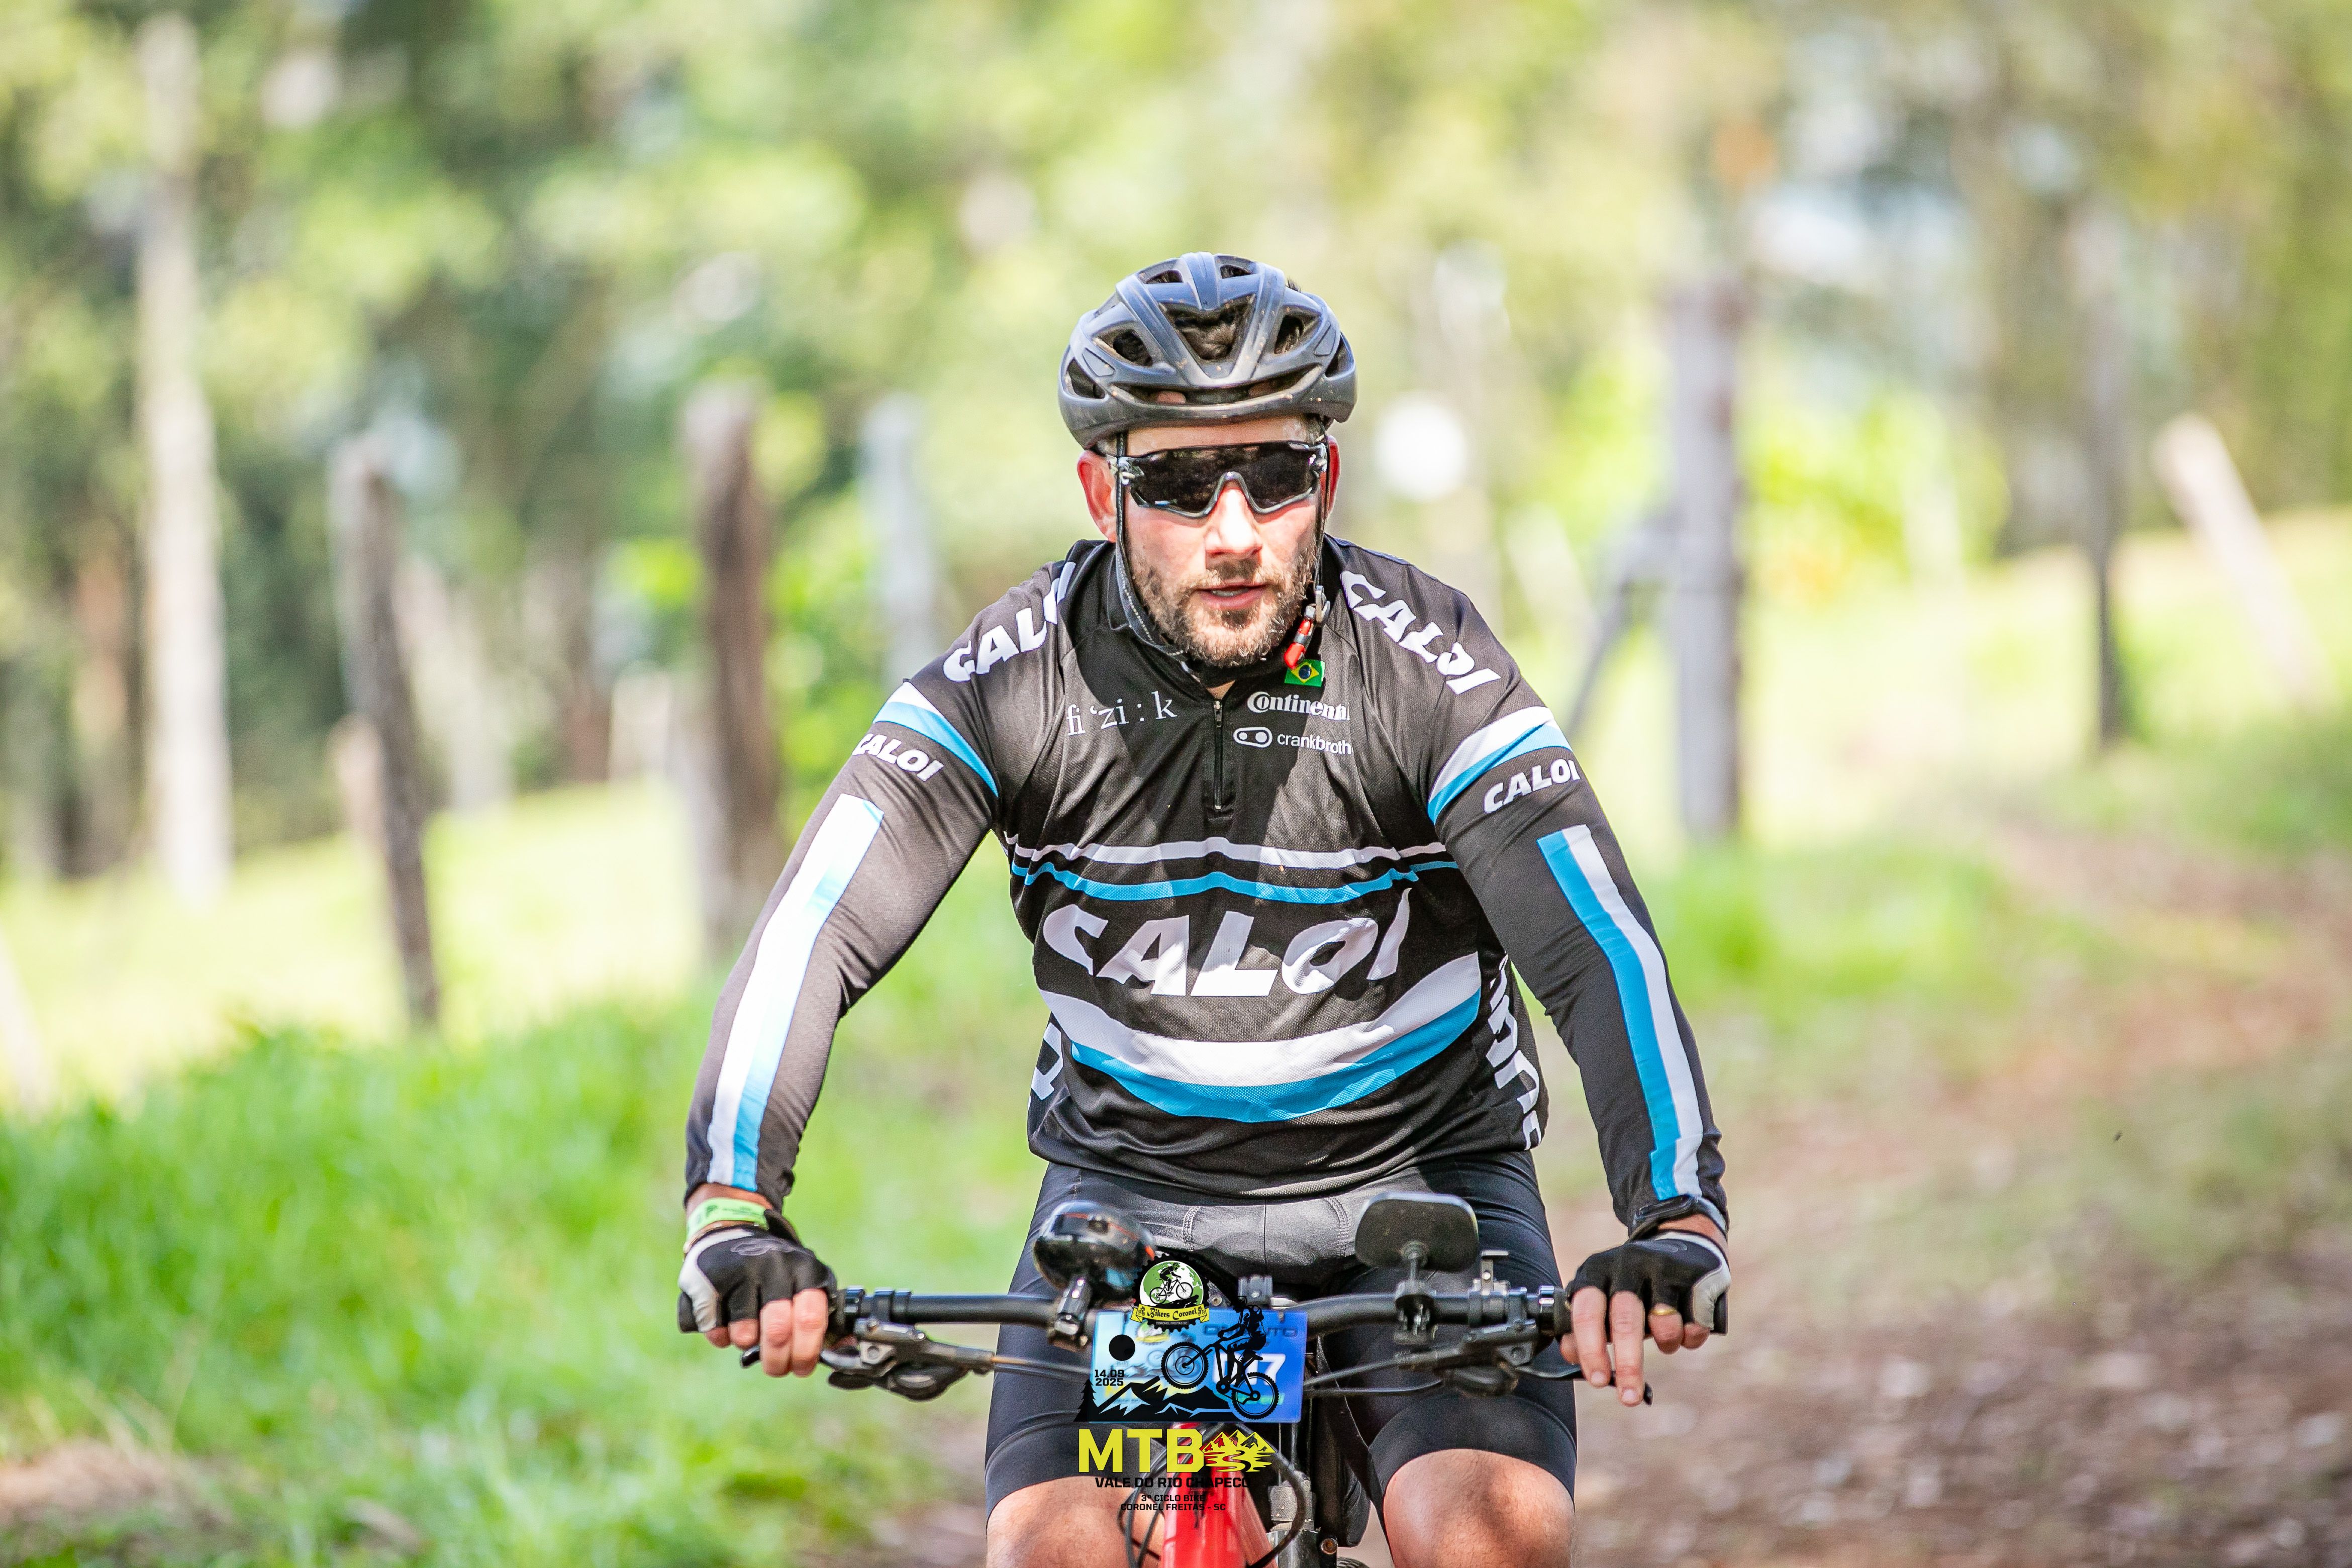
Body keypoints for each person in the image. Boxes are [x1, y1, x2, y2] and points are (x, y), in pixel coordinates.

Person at [674, 253, 1729, 1567]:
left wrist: (1674, 1216)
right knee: (1059, 1553)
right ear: (1101, 492)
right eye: (1178, 485)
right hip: (1144, 1215)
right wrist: (733, 1204)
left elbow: (1593, 945)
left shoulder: (1430, 664)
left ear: (1325, 481)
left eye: (1274, 475)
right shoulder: (1016, 676)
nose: (1234, 531)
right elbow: (817, 926)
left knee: (1484, 1542)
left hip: (1419, 1199)